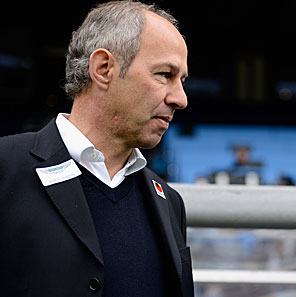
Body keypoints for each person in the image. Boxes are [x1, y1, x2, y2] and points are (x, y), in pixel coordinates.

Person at [0, 1, 193, 296]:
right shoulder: (5, 168)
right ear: (103, 69)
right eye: (164, 75)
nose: (180, 99)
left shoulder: (169, 203)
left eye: (181, 80)